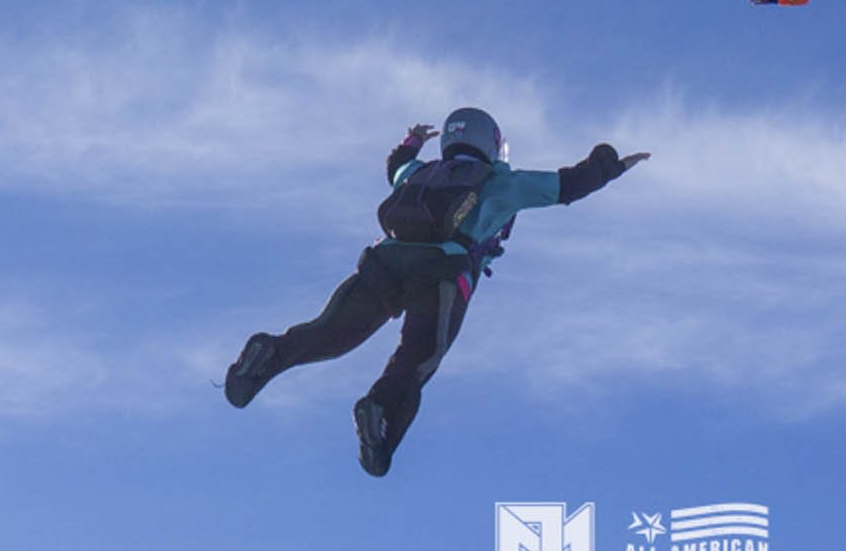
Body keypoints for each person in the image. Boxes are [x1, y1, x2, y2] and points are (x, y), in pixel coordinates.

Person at [223, 108, 647, 475]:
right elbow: (567, 185)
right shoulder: (500, 183)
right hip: (443, 270)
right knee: (416, 359)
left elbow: (396, 166)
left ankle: (269, 355)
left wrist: (411, 141)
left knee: (331, 334)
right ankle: (379, 414)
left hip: (384, 260)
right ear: (492, 144)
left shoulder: (418, 174)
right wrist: (609, 163)